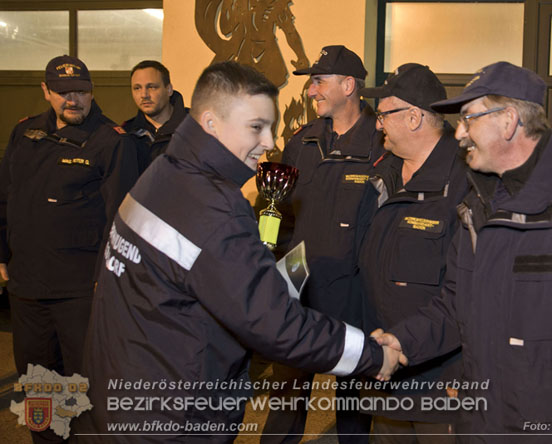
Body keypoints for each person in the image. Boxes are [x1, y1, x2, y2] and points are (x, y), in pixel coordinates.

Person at [78, 61, 399, 444]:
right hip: (173, 418)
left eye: (271, 128)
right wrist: (373, 356)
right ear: (211, 122)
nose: (269, 142)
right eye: (256, 127)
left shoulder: (164, 173)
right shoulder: (214, 209)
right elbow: (276, 324)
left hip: (122, 397)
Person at [374, 61, 552, 443]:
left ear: (508, 120)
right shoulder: (478, 201)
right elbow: (456, 303)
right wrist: (403, 341)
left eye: (468, 119)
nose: (458, 133)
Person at [0, 55, 139, 444]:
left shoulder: (112, 142)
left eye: (79, 90)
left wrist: (107, 281)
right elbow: (3, 197)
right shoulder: (23, 134)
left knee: (87, 388)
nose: (71, 99)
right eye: (62, 92)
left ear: (91, 90)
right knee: (38, 386)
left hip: (82, 291)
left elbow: (121, 220)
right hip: (27, 288)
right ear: (46, 92)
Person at [260, 45, 385, 444]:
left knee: (352, 408)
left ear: (348, 85)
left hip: (353, 293)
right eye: (311, 82)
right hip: (298, 289)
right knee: (285, 397)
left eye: (319, 81)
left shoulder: (381, 146)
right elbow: (277, 209)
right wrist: (266, 254)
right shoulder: (302, 142)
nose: (310, 90)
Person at [355, 63, 467, 443]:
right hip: (385, 370)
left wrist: (462, 376)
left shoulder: (466, 184)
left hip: (442, 382)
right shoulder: (382, 174)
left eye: (384, 113)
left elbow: (475, 296)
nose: (376, 123)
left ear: (416, 117)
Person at [122, 60, 189, 172]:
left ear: (168, 89)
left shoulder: (197, 127)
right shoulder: (126, 134)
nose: (144, 95)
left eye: (152, 87)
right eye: (137, 88)